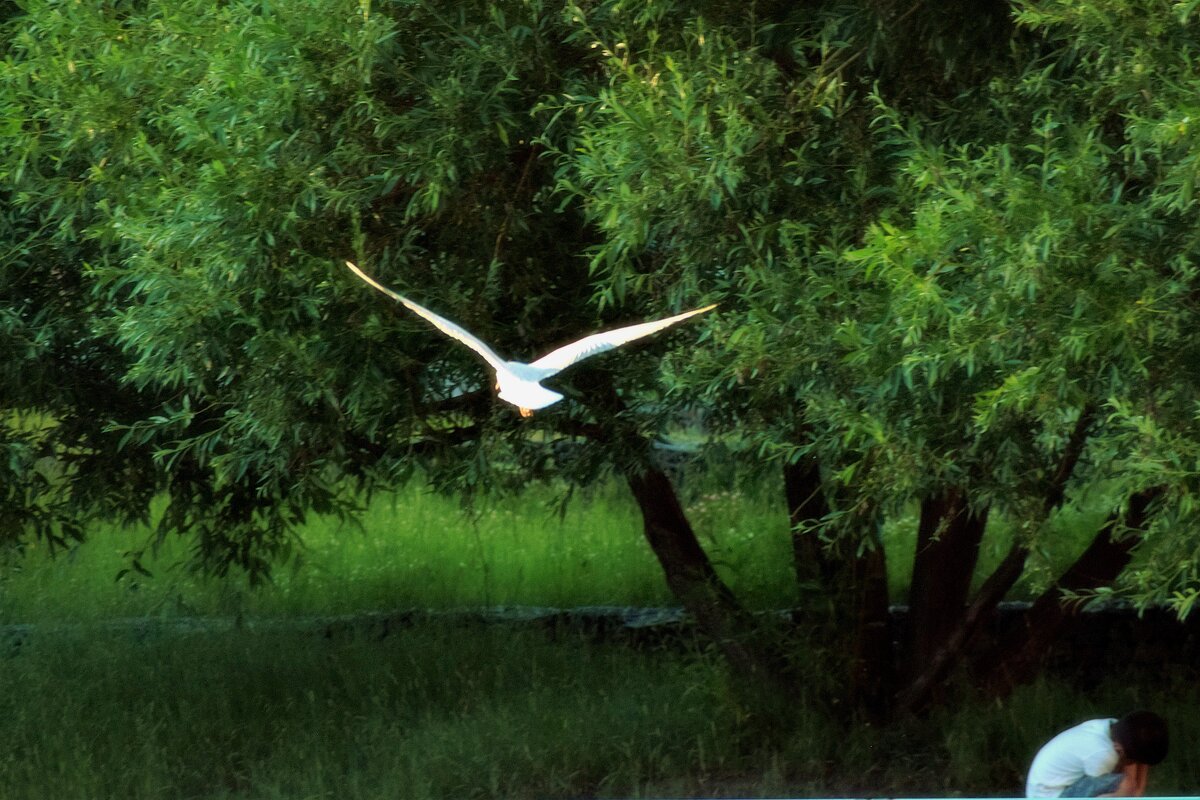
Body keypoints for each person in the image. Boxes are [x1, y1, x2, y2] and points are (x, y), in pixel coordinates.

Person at [1025, 710, 1168, 797]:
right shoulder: (1102, 754)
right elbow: (1123, 781)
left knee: (1127, 785)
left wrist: (1137, 792)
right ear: (1120, 751)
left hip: (1051, 785)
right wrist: (1132, 792)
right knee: (1125, 786)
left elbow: (1135, 762)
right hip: (1051, 795)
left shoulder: (1115, 728)